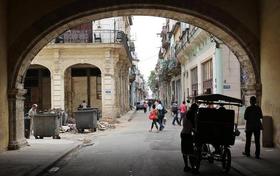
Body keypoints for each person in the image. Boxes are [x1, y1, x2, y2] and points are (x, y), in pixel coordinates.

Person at [181, 103, 198, 173]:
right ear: (194, 109)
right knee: (190, 152)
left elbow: (189, 125)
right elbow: (194, 126)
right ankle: (193, 168)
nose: (197, 111)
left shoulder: (187, 112)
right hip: (187, 134)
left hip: (184, 133)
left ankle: (186, 166)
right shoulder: (192, 114)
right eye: (196, 109)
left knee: (185, 152)